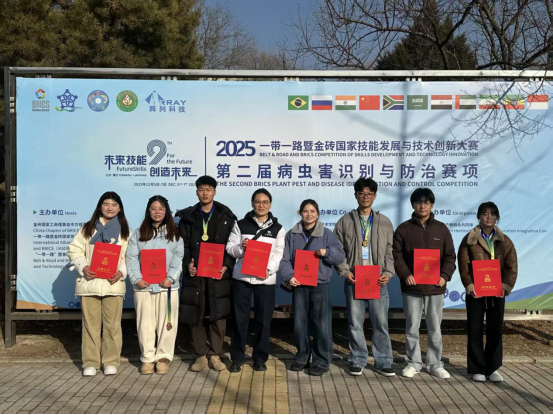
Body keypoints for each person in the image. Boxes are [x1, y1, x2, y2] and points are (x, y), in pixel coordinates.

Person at [334, 178, 396, 377]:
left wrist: (388, 272)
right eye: (362, 193)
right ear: (356, 195)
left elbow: (390, 251)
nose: (365, 196)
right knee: (355, 323)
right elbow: (337, 251)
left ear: (375, 196)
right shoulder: (345, 221)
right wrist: (345, 271)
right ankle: (358, 359)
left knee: (380, 323)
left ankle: (383, 361)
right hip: (355, 279)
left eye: (369, 193)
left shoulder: (384, 222)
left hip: (378, 280)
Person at [393, 188, 456, 379]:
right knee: (412, 326)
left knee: (435, 327)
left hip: (436, 287)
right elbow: (396, 255)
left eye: (426, 202)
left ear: (432, 205)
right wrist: (406, 274)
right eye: (418, 202)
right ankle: (414, 362)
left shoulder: (441, 229)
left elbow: (450, 257)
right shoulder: (404, 229)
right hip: (412, 287)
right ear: (413, 205)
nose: (422, 206)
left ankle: (435, 364)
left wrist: (444, 276)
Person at [176, 176, 237, 372]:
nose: (205, 193)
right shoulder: (188, 218)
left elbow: (232, 245)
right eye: (201, 189)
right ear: (196, 192)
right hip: (196, 274)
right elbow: (182, 245)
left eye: (209, 189)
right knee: (197, 313)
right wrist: (188, 263)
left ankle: (215, 354)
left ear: (215, 192)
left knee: (218, 314)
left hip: (218, 274)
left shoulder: (226, 216)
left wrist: (226, 265)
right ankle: (201, 354)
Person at [67, 191, 131, 377]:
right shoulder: (87, 228)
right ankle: (91, 362)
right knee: (90, 326)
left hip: (113, 284)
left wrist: (121, 271)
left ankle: (110, 361)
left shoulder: (125, 231)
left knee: (113, 326)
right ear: (100, 206)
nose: (110, 208)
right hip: (90, 284)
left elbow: (129, 255)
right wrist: (84, 266)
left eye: (114, 205)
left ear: (120, 209)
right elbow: (74, 249)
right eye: (106, 204)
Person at [279, 199, 346, 376]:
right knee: (300, 323)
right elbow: (285, 259)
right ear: (300, 213)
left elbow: (340, 256)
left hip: (320, 285)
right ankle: (302, 357)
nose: (309, 214)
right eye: (305, 211)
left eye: (312, 211)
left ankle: (321, 361)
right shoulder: (292, 234)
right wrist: (289, 276)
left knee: (321, 324)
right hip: (299, 285)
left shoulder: (326, 234)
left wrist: (326, 252)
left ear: (317, 214)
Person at [226, 189, 286, 373]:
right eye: (258, 201)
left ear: (270, 204)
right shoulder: (240, 224)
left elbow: (279, 253)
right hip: (242, 279)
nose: (261, 205)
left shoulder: (278, 229)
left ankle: (260, 358)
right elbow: (230, 248)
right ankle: (237, 358)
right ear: (252, 203)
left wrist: (268, 270)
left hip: (265, 280)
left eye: (265, 202)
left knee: (263, 321)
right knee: (239, 320)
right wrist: (241, 248)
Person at [458, 202, 518, 383]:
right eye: (485, 214)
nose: (489, 217)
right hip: (476, 292)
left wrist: (505, 287)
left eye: (493, 214)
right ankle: (478, 368)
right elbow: (463, 265)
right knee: (475, 329)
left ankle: (492, 368)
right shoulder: (469, 239)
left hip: (497, 292)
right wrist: (470, 286)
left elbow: (511, 267)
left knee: (495, 329)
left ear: (497, 217)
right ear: (479, 216)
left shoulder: (505, 241)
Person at [126, 196, 184, 375]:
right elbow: (131, 258)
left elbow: (178, 258)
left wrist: (170, 278)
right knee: (145, 324)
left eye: (161, 209)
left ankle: (163, 358)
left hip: (167, 287)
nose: (157, 212)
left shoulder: (175, 234)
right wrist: (137, 278)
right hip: (143, 287)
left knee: (167, 322)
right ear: (148, 211)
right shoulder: (138, 234)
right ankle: (147, 358)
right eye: (153, 208)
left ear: (166, 212)